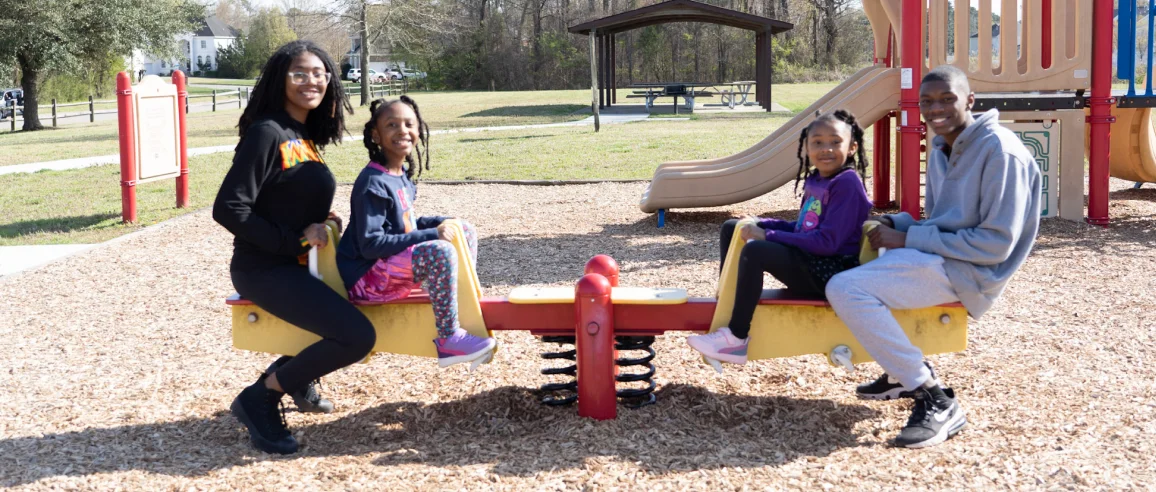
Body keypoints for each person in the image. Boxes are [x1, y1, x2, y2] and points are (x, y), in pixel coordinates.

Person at [825, 65, 1042, 449]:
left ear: (970, 101)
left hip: (972, 271)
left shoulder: (1000, 153)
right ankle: (900, 371)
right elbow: (944, 222)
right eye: (927, 101)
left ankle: (934, 398)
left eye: (947, 99)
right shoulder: (944, 145)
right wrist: (898, 223)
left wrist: (907, 238)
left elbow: (994, 244)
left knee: (846, 289)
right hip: (946, 257)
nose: (935, 109)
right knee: (853, 266)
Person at [212, 40, 361, 455]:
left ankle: (296, 376)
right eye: (300, 73)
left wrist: (322, 221)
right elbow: (229, 208)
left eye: (319, 73)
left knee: (361, 316)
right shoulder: (267, 132)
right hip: (263, 269)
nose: (311, 81)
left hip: (297, 267)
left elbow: (285, 198)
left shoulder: (304, 135)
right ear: (281, 79)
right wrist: (292, 239)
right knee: (356, 336)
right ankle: (260, 397)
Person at [687, 109, 873, 368]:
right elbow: (803, 228)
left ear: (852, 147)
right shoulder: (817, 179)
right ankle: (727, 306)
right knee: (733, 226)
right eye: (817, 142)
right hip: (812, 261)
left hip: (832, 273)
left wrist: (768, 234)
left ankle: (737, 338)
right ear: (806, 147)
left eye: (835, 142)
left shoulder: (847, 183)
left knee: (757, 251)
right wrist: (762, 222)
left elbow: (827, 243)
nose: (826, 149)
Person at [336, 96, 495, 368]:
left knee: (462, 228)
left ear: (418, 131)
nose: (402, 130)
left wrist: (439, 222)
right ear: (376, 135)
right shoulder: (372, 182)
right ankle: (449, 340)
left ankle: (463, 304)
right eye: (391, 125)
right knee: (439, 250)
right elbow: (371, 244)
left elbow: (403, 224)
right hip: (366, 278)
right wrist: (431, 234)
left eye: (409, 124)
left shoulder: (400, 175)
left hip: (384, 268)